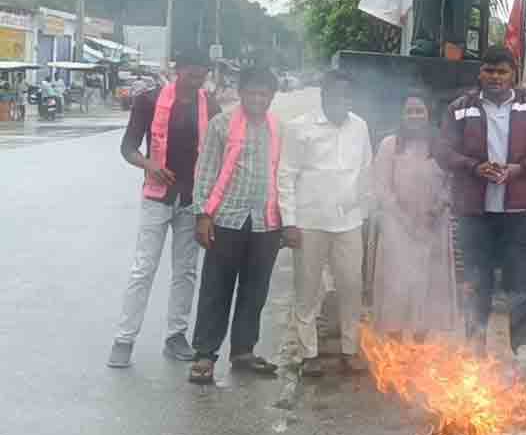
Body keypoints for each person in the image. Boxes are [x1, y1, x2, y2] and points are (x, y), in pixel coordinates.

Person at [436, 46, 526, 354]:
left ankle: (523, 358)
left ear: (513, 74)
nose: (495, 77)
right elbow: (442, 151)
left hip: (516, 214)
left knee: (519, 291)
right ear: (480, 72)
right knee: (477, 287)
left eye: (502, 71)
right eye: (489, 70)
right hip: (474, 215)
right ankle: (475, 355)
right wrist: (474, 167)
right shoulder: (460, 108)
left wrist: (519, 169)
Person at [108, 51, 219, 368]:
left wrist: (210, 203)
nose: (196, 76)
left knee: (186, 271)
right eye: (191, 70)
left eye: (202, 72)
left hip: (192, 198)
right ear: (178, 69)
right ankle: (124, 338)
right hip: (157, 196)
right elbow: (128, 147)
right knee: (144, 267)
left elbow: (218, 151)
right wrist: (149, 164)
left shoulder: (209, 105)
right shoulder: (149, 100)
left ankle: (175, 336)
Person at [187, 68, 285, 384]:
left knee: (255, 290)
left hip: (265, 222)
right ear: (241, 93)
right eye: (253, 92)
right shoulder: (221, 124)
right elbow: (205, 171)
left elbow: (285, 174)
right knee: (216, 288)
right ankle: (204, 354)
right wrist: (203, 215)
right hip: (226, 218)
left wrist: (286, 221)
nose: (258, 99)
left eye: (264, 94)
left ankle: (243, 351)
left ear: (272, 96)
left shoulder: (278, 129)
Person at [277, 70, 373, 377]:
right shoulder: (299, 127)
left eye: (346, 95)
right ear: (323, 95)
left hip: (349, 222)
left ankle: (349, 350)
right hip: (309, 222)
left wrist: (364, 212)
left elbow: (365, 172)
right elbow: (286, 175)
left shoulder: (360, 126)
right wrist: (289, 221)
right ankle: (309, 354)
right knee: (307, 289)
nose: (339, 101)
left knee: (351, 286)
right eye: (334, 95)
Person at [372, 90, 459, 340]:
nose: (414, 116)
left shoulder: (441, 146)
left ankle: (419, 348)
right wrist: (402, 218)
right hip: (396, 228)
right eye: (409, 111)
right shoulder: (389, 145)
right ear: (401, 115)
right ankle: (395, 345)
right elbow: (380, 186)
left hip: (433, 227)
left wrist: (438, 208)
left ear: (428, 114)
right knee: (397, 286)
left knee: (427, 286)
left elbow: (452, 183)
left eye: (419, 111)